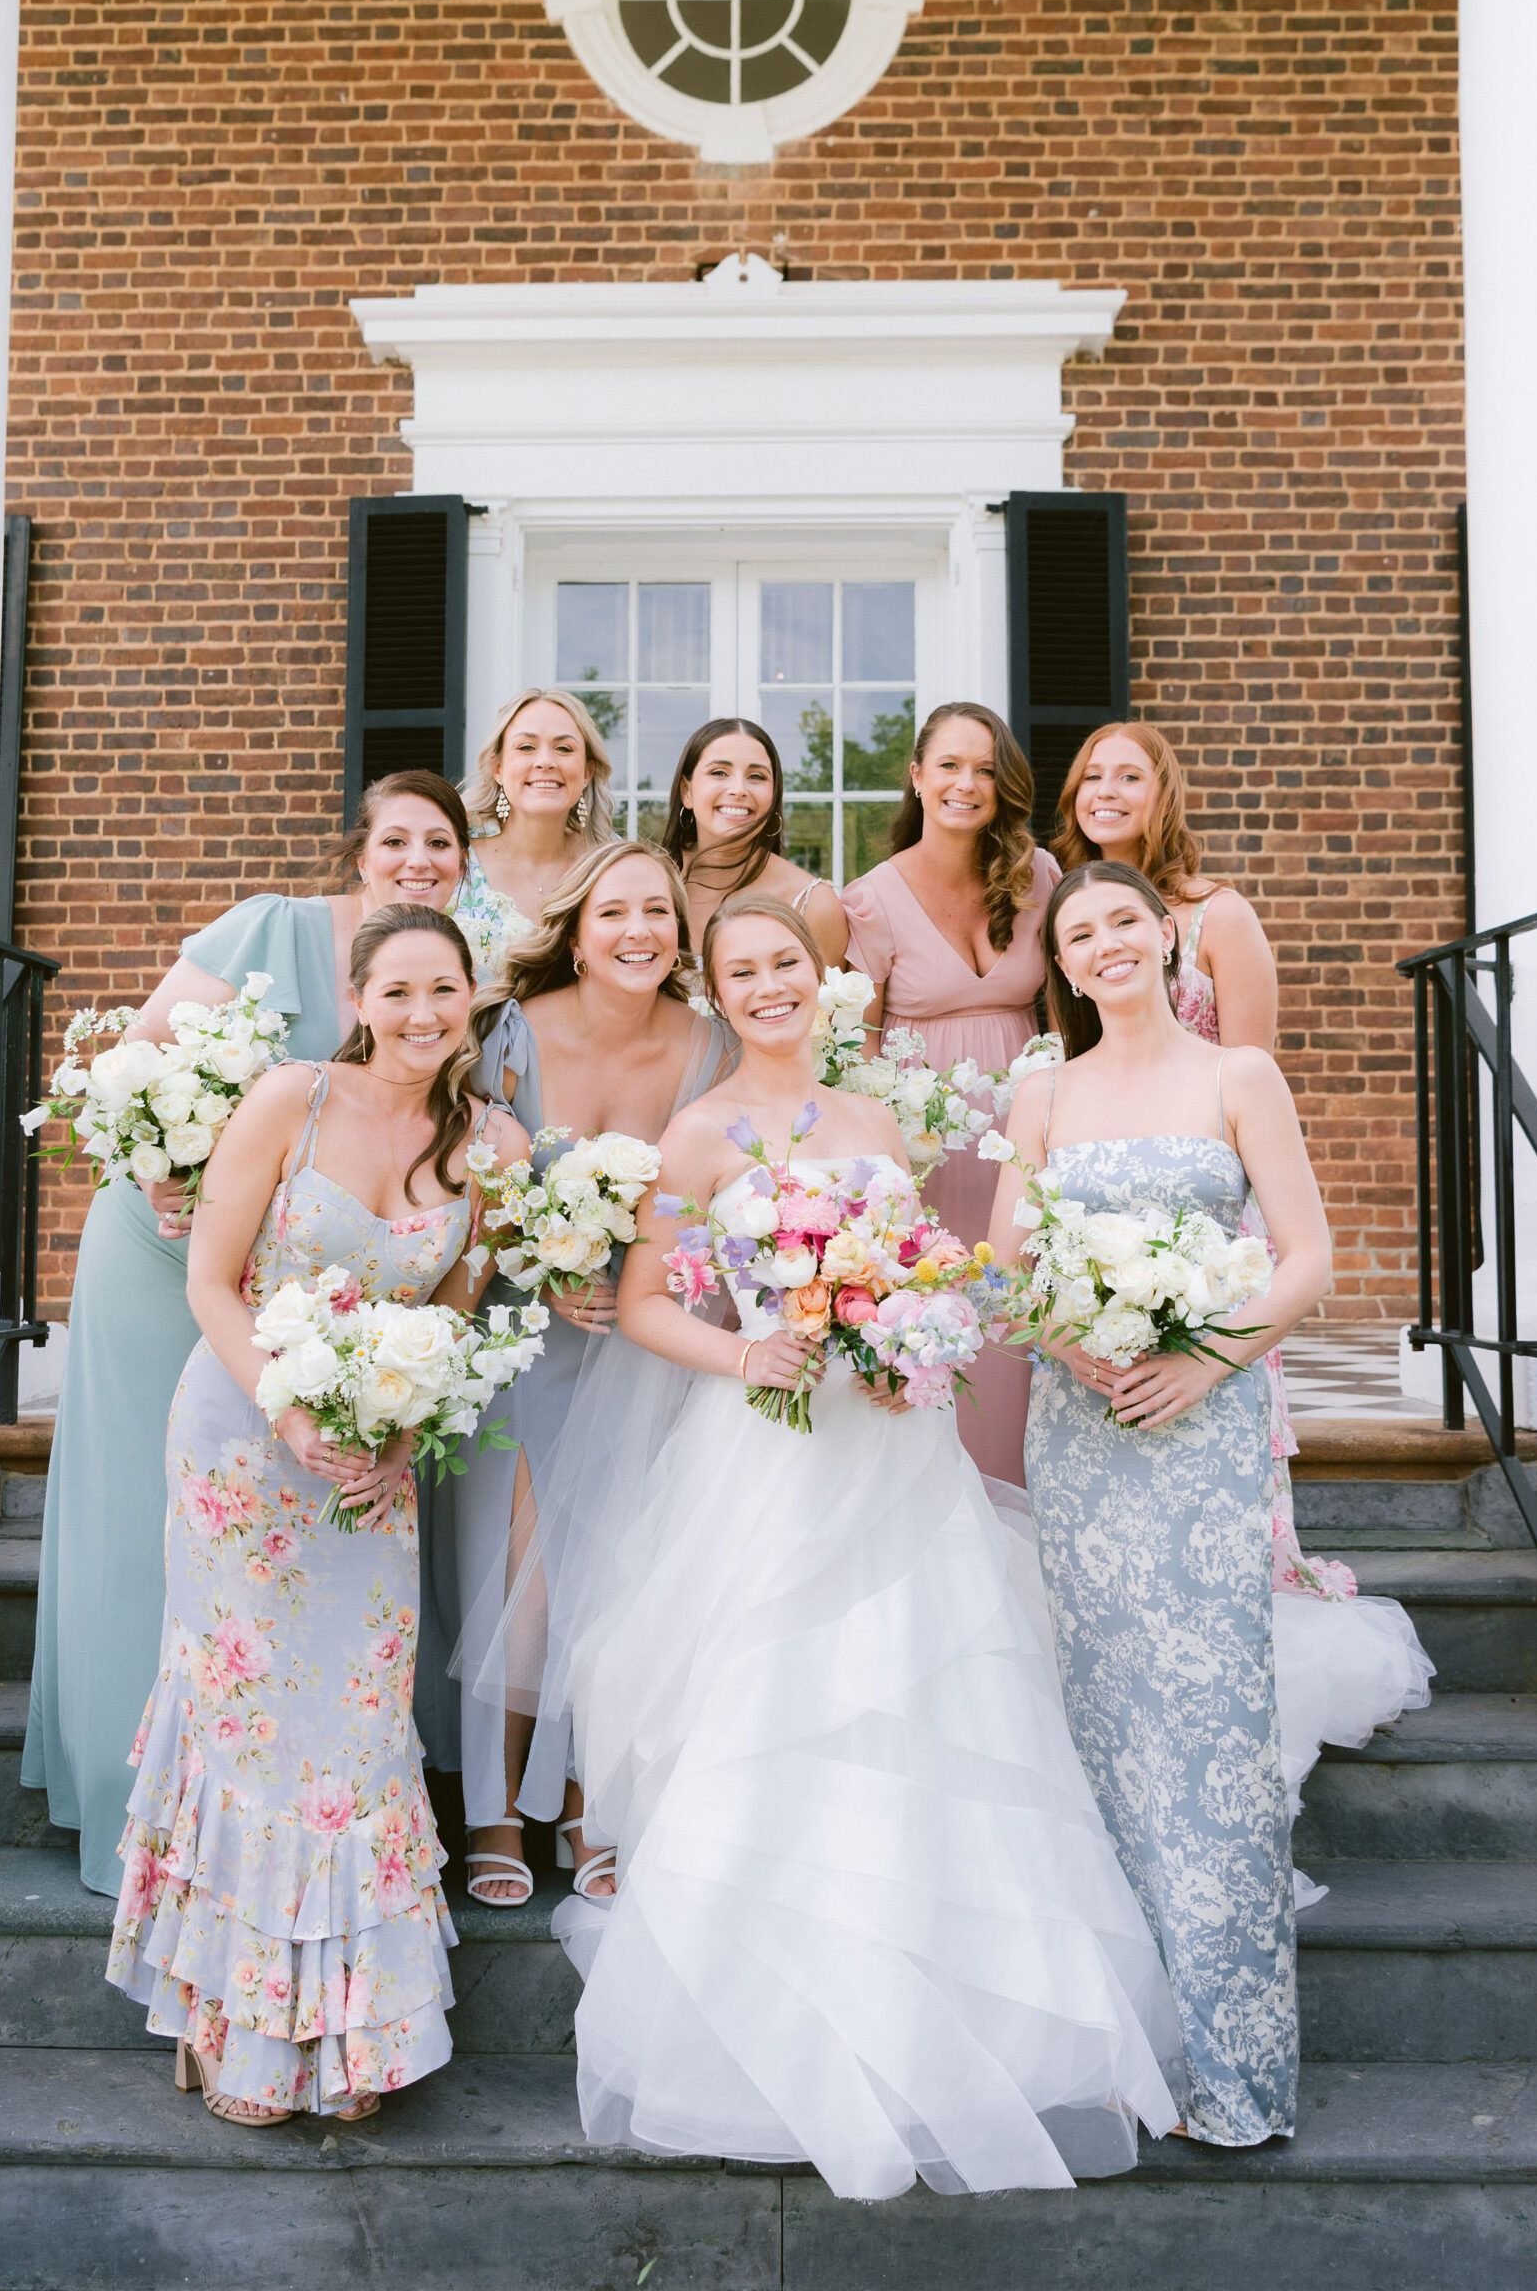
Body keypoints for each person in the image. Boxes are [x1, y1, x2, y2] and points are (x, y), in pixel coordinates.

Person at [470, 893, 1183, 2201]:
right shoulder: (696, 1132)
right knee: (777, 1706)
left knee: (925, 1692)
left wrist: (913, 1344)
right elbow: (639, 1305)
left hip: (894, 1456)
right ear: (720, 992)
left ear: (821, 977)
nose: (764, 987)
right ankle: (763, 2042)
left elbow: (918, 1272)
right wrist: (748, 1347)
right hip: (771, 1457)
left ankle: (952, 2024)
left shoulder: (878, 1124)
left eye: (784, 965)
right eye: (738, 972)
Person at [105, 905, 531, 2124]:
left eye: (443, 991)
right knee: (242, 1724)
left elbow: (453, 1301)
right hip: (244, 1444)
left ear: (471, 1002)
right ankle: (226, 2024)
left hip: (372, 1473)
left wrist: (401, 1427)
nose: (420, 1014)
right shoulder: (290, 1098)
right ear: (357, 999)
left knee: (353, 1732)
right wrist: (291, 1417)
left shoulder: (491, 1141)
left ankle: (349, 2033)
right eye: (397, 991)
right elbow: (210, 1275)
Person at [24, 770, 479, 1896]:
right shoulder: (268, 926)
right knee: (145, 1524)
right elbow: (133, 1061)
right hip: (182, 1240)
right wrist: (157, 1166)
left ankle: (314, 1866)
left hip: (342, 1276)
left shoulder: (453, 976)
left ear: (462, 865)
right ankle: (124, 1810)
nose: (418, 858)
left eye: (440, 843)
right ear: (358, 849)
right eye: (397, 838)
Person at [990, 860, 1332, 2147]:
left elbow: (1307, 1256)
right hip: (1083, 1429)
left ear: (1164, 934)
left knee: (1212, 1719)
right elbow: (1008, 1270)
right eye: (1080, 934)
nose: (1105, 945)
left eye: (1124, 920)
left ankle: (1235, 2063)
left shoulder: (1236, 1076)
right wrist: (1070, 1342)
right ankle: (1130, 2048)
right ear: (1064, 967)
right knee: (1105, 1721)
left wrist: (1205, 1357)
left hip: (1203, 1429)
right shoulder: (1043, 1091)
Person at [1053, 722, 1432, 1832]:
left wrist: (1229, 1278)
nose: (1107, 789)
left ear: (1163, 790)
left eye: (1130, 773)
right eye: (1090, 776)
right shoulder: (1078, 922)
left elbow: (1243, 1071)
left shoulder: (1219, 914)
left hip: (1212, 1214)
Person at [435, 840, 730, 1908]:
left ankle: (591, 1805)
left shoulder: (712, 1045)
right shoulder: (510, 1034)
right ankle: (496, 1809)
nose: (639, 929)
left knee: (618, 1574)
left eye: (659, 910)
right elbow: (465, 1175)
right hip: (525, 1332)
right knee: (515, 1577)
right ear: (576, 926)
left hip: (649, 1343)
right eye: (616, 911)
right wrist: (540, 1265)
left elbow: (722, 1193)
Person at [843, 701, 1058, 1485]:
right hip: (925, 1156)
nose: (966, 784)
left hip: (1027, 1143)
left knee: (1017, 1332)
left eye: (984, 769)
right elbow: (856, 1048)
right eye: (949, 766)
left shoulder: (1038, 878)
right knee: (940, 1333)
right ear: (916, 777)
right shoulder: (870, 897)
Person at [660, 715, 848, 970]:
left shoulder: (812, 903)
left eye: (756, 776)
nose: (739, 790)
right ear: (687, 791)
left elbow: (824, 1010)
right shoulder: (653, 884)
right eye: (719, 772)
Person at [463, 688, 615, 931]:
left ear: (588, 772)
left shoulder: (611, 864)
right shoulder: (455, 858)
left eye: (564, 749)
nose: (545, 761)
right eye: (526, 747)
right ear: (498, 768)